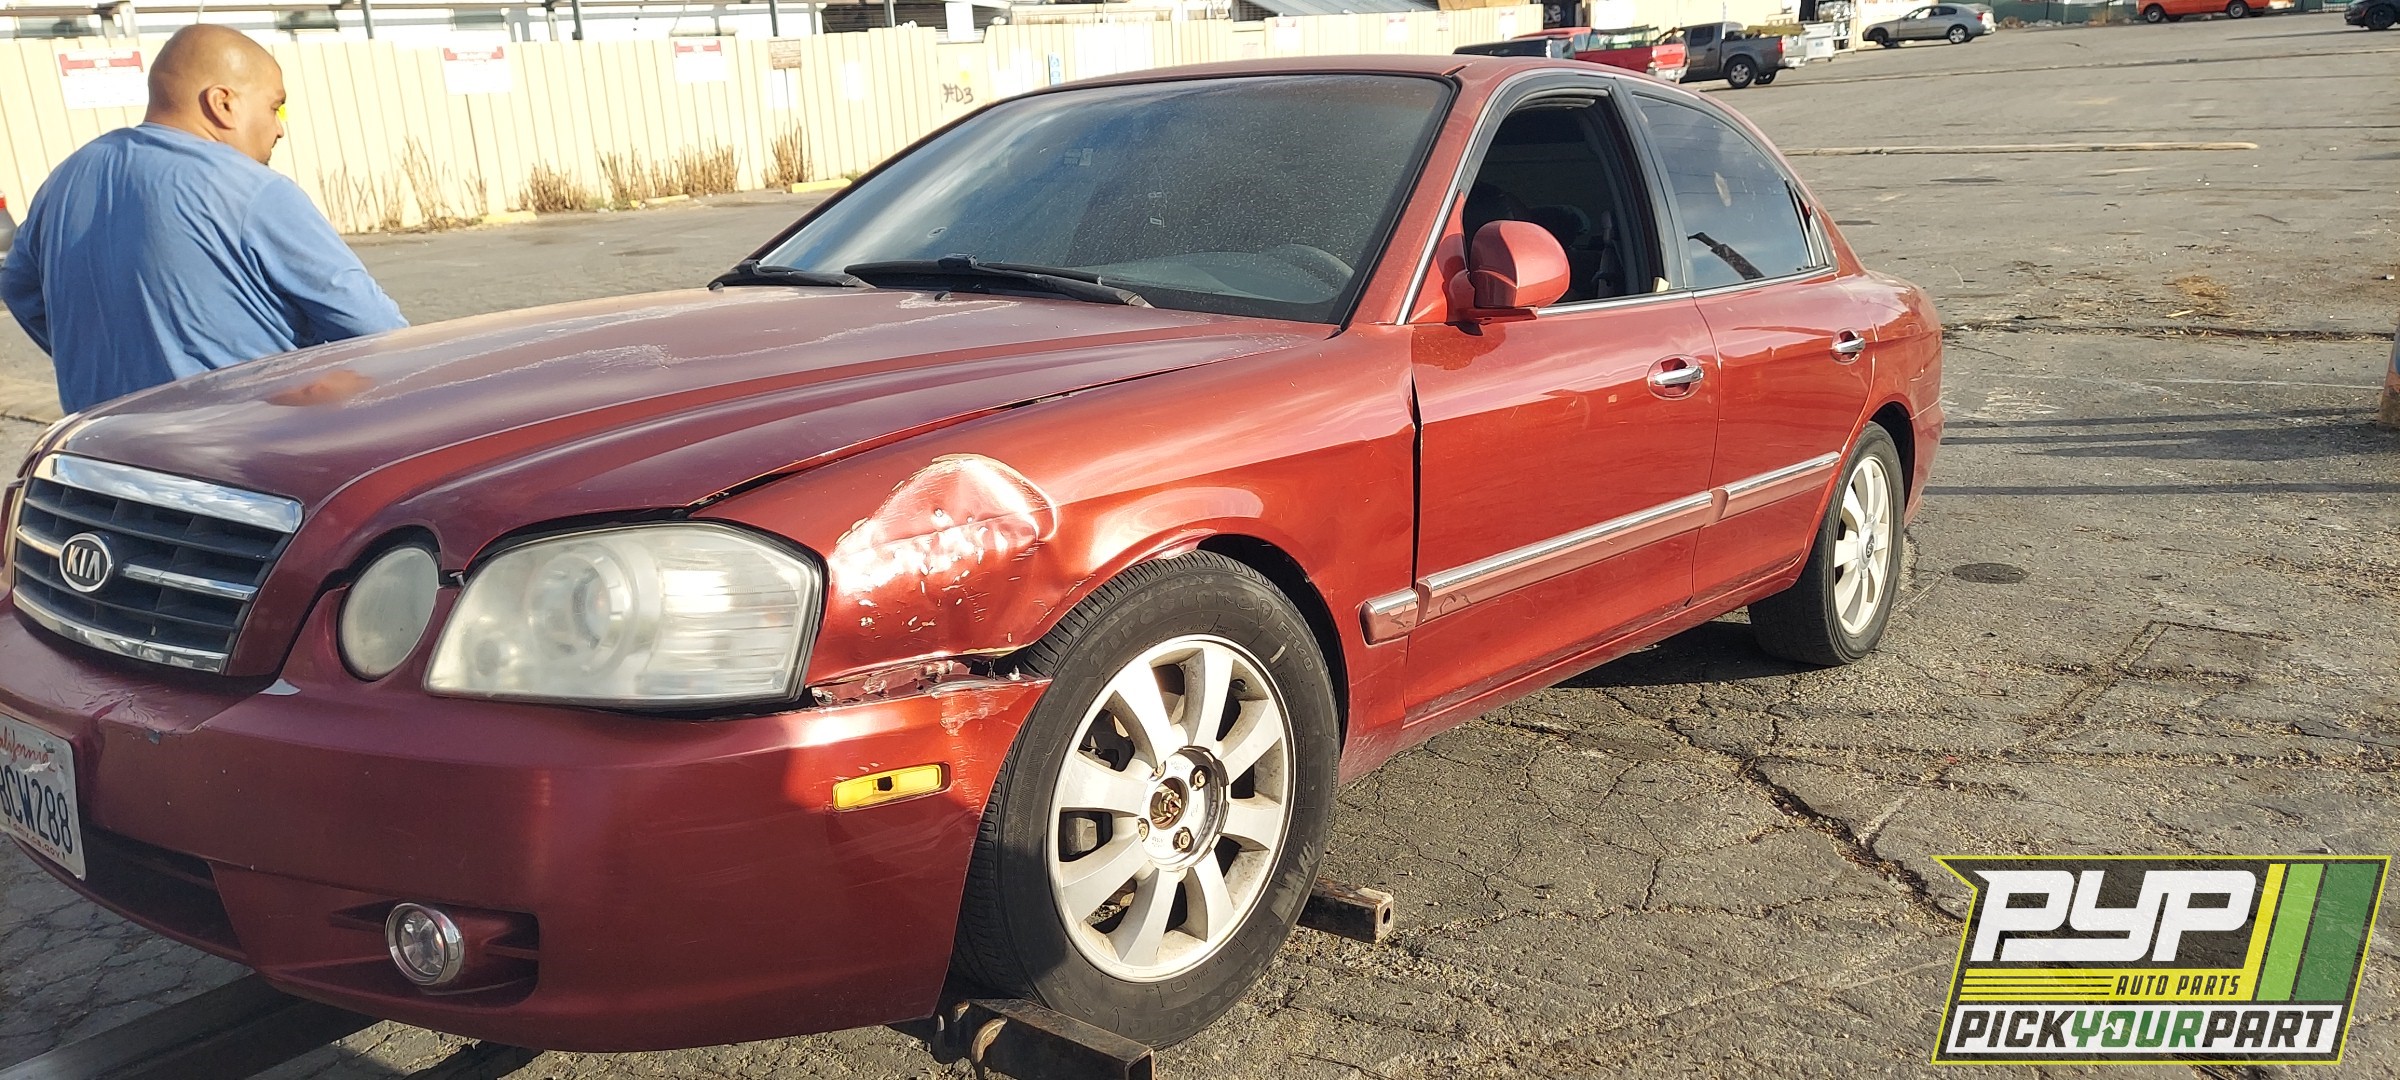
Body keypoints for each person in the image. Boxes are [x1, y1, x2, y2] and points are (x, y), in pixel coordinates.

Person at [0, 24, 405, 414]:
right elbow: (377, 329)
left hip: (102, 446)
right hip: (238, 444)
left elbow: (18, 288)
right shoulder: (252, 190)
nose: (279, 129)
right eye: (274, 107)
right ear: (222, 103)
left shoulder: (67, 178)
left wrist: (100, 361)